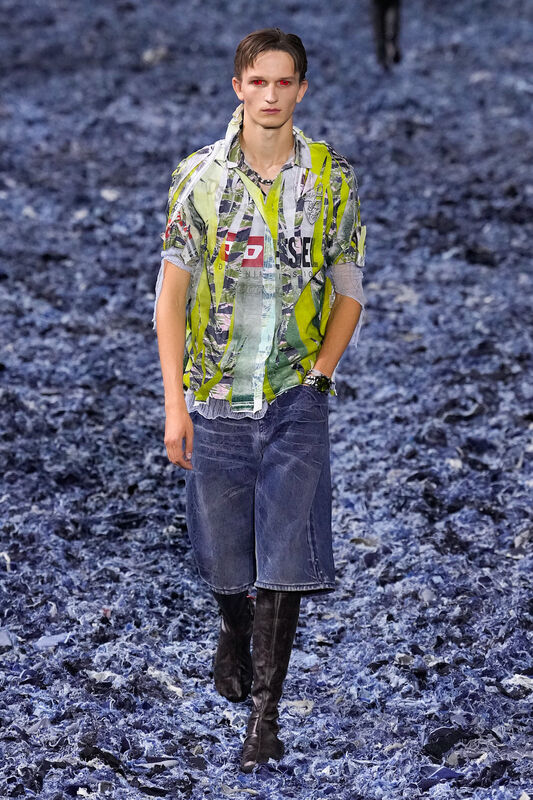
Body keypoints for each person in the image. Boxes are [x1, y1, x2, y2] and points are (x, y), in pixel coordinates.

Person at [153, 27, 367, 772]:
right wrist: (174, 404)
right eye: (258, 82)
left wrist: (321, 374)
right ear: (238, 87)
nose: (271, 95)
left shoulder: (331, 179)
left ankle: (264, 720)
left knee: (285, 556)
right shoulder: (198, 179)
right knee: (222, 559)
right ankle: (233, 628)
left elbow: (349, 287)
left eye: (284, 83)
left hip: (294, 395)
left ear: (301, 89)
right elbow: (170, 296)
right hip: (215, 395)